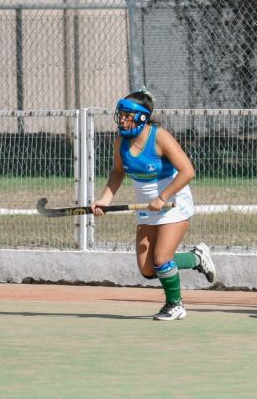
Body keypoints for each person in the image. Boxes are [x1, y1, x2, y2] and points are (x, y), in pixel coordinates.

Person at [92, 89, 217, 321]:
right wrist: (105, 199)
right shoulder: (121, 141)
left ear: (142, 117)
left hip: (173, 202)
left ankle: (175, 305)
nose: (122, 119)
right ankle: (197, 258)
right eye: (120, 115)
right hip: (146, 208)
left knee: (161, 259)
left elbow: (188, 171)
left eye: (127, 115)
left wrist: (162, 197)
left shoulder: (159, 137)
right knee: (148, 269)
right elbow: (118, 172)